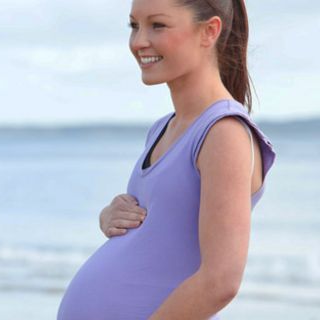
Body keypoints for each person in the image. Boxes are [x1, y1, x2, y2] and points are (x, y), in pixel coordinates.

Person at [56, 0, 277, 319]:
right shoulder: (163, 128)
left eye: (157, 25)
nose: (138, 41)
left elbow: (220, 281)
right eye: (134, 25)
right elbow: (159, 233)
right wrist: (109, 217)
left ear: (209, 31)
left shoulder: (223, 133)